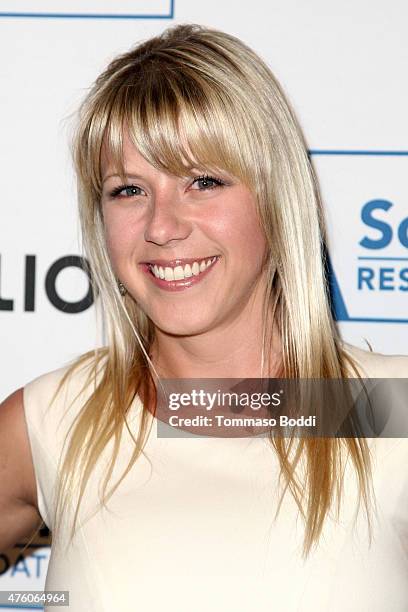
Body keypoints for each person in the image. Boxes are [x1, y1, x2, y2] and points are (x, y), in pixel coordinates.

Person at [1, 23, 407, 611]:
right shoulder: (56, 421)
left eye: (204, 182)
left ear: (276, 195)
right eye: (127, 191)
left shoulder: (385, 411)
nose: (162, 226)